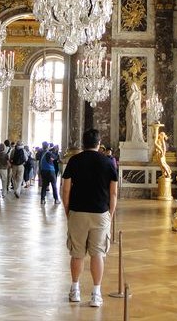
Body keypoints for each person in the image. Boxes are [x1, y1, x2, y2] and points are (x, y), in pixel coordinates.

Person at [61, 128, 119, 308]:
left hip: (77, 212)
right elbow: (114, 193)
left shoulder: (74, 160)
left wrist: (67, 210)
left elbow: (65, 189)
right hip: (100, 213)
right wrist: (110, 213)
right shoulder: (108, 162)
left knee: (77, 254)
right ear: (99, 143)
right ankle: (96, 293)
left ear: (83, 143)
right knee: (98, 254)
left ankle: (75, 289)